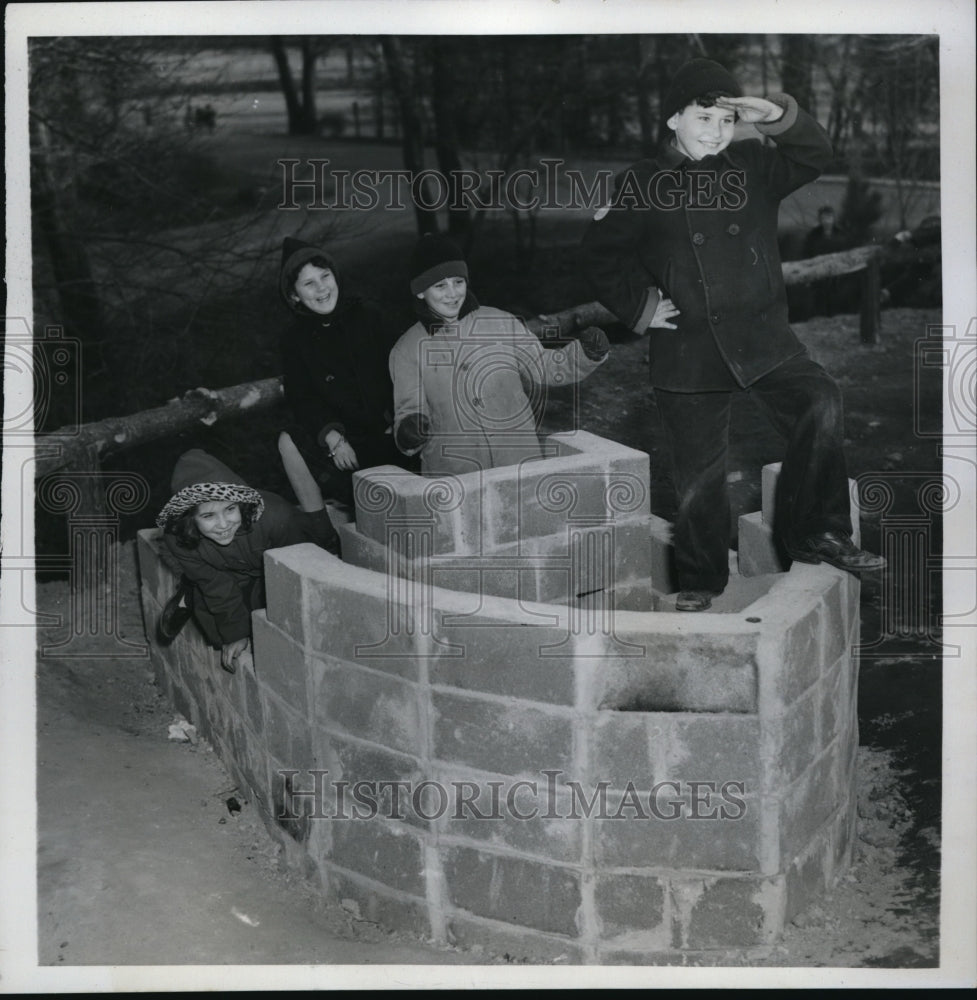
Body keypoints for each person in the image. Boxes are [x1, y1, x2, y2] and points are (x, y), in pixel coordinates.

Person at [580, 58, 884, 612]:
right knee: (699, 477)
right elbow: (600, 256)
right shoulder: (641, 182)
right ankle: (700, 577)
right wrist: (642, 308)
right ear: (673, 119)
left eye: (726, 120)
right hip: (689, 349)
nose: (717, 131)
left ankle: (818, 530)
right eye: (704, 118)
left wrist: (772, 115)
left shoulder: (751, 164)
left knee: (820, 399)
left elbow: (815, 154)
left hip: (763, 339)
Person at [389, 233, 624, 477]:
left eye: (458, 282)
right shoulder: (407, 350)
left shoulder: (500, 322)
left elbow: (544, 366)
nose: (452, 293)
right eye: (440, 286)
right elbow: (408, 409)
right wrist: (409, 431)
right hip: (456, 473)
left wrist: (584, 354)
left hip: (517, 462)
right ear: (420, 292)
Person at [155, 439, 340, 672]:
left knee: (271, 619)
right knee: (220, 632)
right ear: (189, 519)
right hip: (221, 572)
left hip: (273, 569)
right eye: (208, 516)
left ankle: (194, 586)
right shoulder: (178, 538)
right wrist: (236, 634)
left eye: (230, 509)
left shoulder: (277, 518)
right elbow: (215, 585)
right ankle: (190, 590)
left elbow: (297, 576)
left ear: (240, 505)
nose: (223, 524)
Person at [278, 236, 410, 508]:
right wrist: (333, 437)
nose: (321, 288)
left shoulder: (369, 316)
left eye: (325, 276)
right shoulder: (294, 342)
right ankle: (321, 524)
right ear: (294, 295)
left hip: (393, 433)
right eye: (309, 283)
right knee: (288, 440)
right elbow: (302, 399)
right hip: (347, 447)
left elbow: (405, 368)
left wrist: (400, 417)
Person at [802, 205, 851, 316]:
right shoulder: (813, 236)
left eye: (829, 217)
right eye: (824, 218)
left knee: (835, 301)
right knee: (819, 301)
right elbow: (806, 254)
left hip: (836, 275)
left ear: (833, 218)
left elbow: (846, 254)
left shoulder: (840, 235)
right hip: (818, 274)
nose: (827, 221)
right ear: (820, 219)